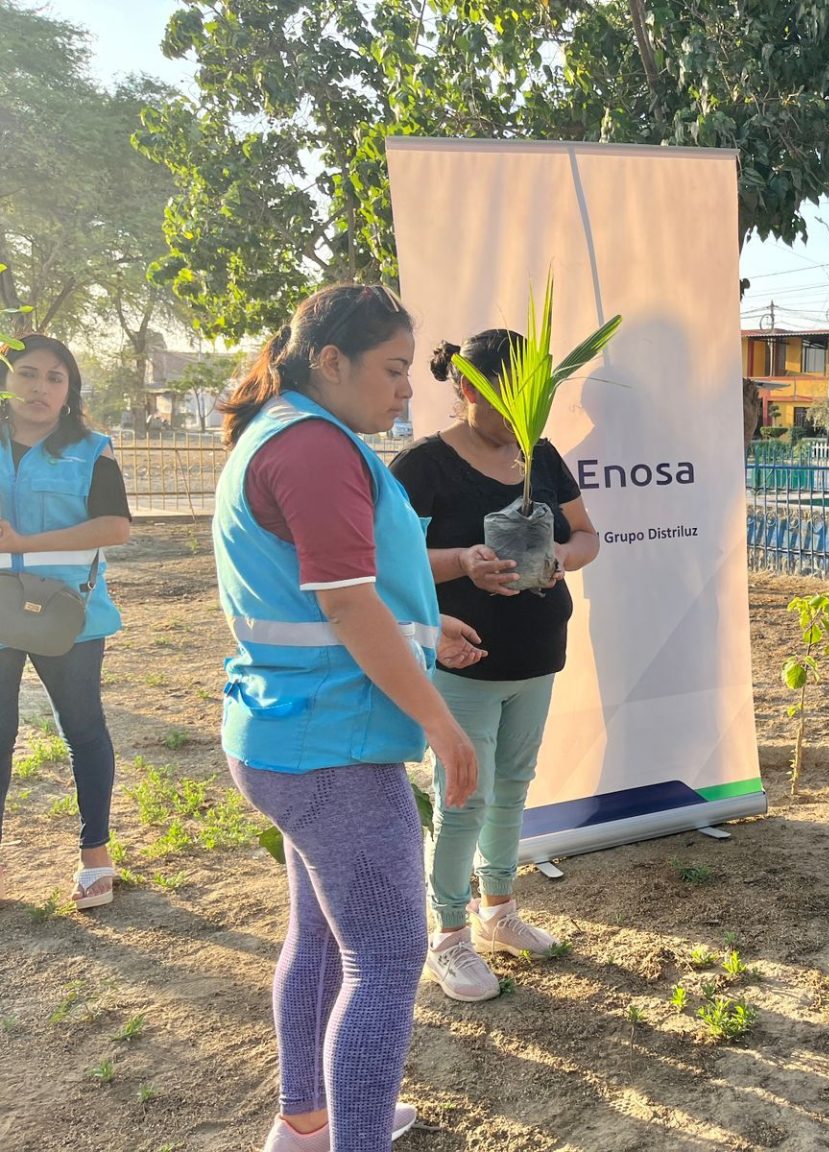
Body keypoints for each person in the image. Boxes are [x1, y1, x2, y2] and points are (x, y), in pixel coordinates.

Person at [213, 284, 484, 1152]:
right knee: (386, 960)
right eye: (395, 369)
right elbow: (344, 604)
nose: (409, 390)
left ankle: (306, 1122)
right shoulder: (315, 449)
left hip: (291, 734)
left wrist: (425, 623)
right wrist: (442, 723)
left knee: (324, 940)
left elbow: (326, 592)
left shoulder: (285, 432)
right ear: (331, 362)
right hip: (331, 745)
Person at [389, 331, 601, 1003]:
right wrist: (464, 561)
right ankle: (447, 937)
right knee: (462, 798)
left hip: (537, 652)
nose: (518, 417)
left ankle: (498, 910)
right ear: (465, 388)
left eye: (529, 400)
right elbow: (384, 562)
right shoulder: (423, 466)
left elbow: (588, 534)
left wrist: (563, 558)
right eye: (503, 399)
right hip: (462, 659)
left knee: (512, 786)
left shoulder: (540, 456)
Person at [0, 334, 131, 908]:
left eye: (56, 377)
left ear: (70, 390)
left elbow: (114, 528)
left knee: (82, 730)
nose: (41, 387)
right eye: (28, 373)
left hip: (69, 615)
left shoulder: (93, 449)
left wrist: (27, 541)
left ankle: (95, 857)